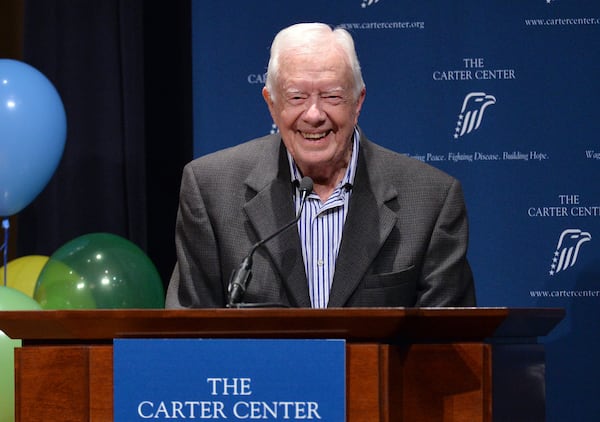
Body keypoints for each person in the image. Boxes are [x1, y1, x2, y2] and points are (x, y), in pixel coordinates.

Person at [165, 22, 476, 309]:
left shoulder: (431, 200)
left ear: (358, 102)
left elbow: (447, 349)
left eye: (331, 96)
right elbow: (190, 340)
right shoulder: (211, 190)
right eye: (297, 97)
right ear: (271, 105)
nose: (314, 114)